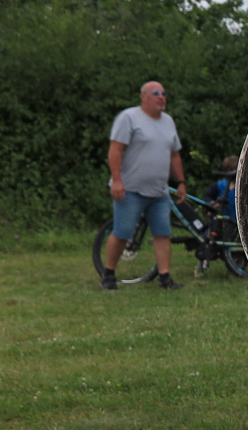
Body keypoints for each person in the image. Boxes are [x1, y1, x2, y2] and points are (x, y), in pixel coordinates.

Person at [101, 80, 186, 290]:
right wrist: (117, 180)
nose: (161, 97)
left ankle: (164, 278)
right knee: (122, 232)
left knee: (162, 234)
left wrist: (181, 182)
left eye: (163, 93)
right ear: (144, 97)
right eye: (156, 93)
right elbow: (115, 150)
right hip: (130, 189)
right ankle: (108, 274)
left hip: (159, 191)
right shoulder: (129, 118)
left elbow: (174, 155)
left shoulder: (168, 121)